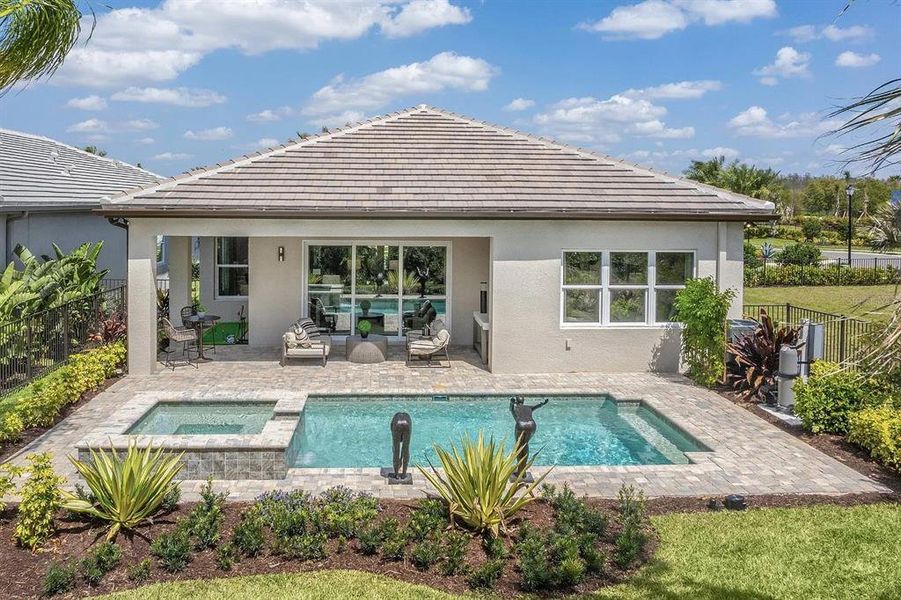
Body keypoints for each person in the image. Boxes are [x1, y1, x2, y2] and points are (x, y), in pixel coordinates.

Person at [509, 395, 548, 478]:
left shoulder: (515, 407)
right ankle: (523, 472)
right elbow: (537, 406)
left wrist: (511, 403)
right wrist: (542, 404)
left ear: (516, 401)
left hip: (521, 425)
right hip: (531, 424)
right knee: (525, 444)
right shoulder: (528, 407)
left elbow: (511, 409)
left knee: (519, 446)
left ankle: (520, 471)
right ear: (523, 401)